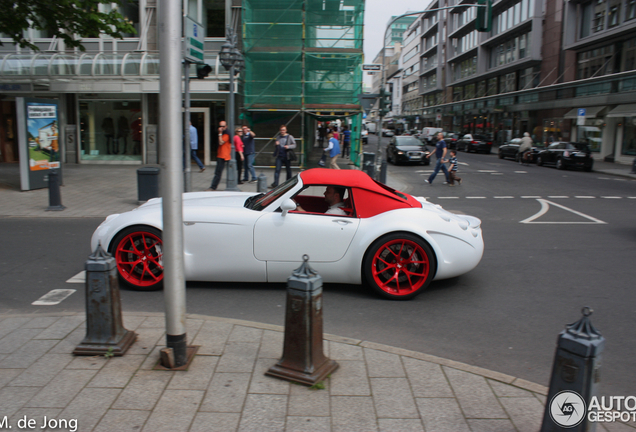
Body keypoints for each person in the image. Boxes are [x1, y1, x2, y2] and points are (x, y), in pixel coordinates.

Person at [207, 121, 231, 191]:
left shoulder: (226, 134)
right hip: (221, 155)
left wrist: (220, 133)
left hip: (224, 156)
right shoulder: (224, 133)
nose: (221, 128)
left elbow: (221, 142)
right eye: (220, 126)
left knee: (218, 173)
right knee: (218, 172)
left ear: (226, 126)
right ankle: (213, 186)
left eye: (223, 126)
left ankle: (213, 187)